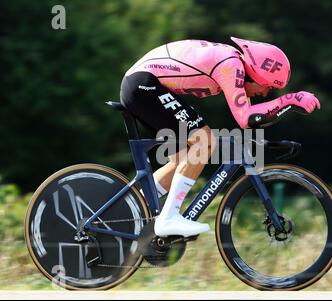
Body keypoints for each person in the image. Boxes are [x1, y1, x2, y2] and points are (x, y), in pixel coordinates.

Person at [120, 37, 320, 238]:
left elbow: (249, 121)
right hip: (144, 84)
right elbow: (246, 118)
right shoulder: (230, 65)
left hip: (143, 85)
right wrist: (290, 100)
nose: (266, 92)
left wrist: (268, 144)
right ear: (255, 74)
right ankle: (168, 219)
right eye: (267, 85)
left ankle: (128, 209)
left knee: (185, 161)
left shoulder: (233, 65)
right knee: (204, 141)